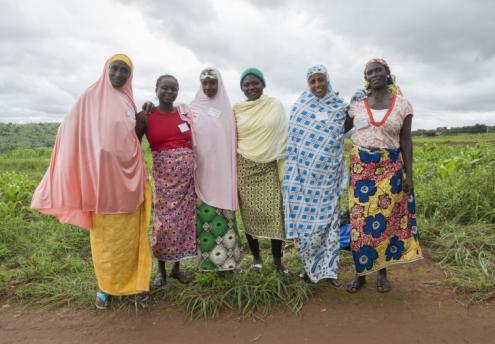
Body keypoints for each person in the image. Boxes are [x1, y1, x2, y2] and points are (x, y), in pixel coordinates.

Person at [31, 54, 152, 309]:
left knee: (132, 238)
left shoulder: (128, 101)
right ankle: (105, 287)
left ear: (130, 76)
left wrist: (142, 119)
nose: (119, 75)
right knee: (105, 239)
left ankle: (137, 285)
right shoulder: (90, 97)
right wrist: (90, 160)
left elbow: (133, 139)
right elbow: (70, 129)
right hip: (102, 184)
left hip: (129, 179)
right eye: (115, 69)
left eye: (125, 71)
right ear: (106, 70)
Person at [345, 58, 423, 293]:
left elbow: (406, 141)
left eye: (378, 70)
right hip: (361, 171)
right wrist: (345, 105)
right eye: (370, 72)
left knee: (384, 223)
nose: (374, 74)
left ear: (388, 73)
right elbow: (341, 128)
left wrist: (410, 175)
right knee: (359, 223)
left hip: (390, 170)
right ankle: (360, 273)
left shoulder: (403, 105)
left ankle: (382, 272)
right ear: (366, 78)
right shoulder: (358, 104)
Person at [283, 65, 347, 286]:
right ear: (307, 83)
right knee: (307, 226)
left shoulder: (339, 106)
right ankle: (310, 270)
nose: (318, 85)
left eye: (321, 80)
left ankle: (329, 271)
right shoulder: (300, 107)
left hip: (328, 179)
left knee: (329, 225)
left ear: (328, 80)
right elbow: (292, 145)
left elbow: (345, 130)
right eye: (313, 81)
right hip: (305, 180)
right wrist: (292, 177)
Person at [135, 74, 196, 287]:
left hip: (187, 181)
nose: (169, 92)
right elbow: (132, 144)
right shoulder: (146, 116)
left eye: (173, 89)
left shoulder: (184, 114)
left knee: (183, 224)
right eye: (165, 88)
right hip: (164, 182)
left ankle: (177, 269)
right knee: (163, 225)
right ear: (156, 89)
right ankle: (160, 271)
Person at [233, 67, 288, 272]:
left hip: (269, 166)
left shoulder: (274, 105)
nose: (251, 87)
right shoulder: (237, 109)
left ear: (263, 84)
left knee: (276, 214)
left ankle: (277, 260)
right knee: (249, 216)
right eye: (246, 84)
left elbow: (283, 137)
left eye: (255, 82)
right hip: (245, 166)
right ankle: (256, 258)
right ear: (242, 88)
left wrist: (283, 172)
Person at [189, 68, 241, 271]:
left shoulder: (227, 111)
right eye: (205, 83)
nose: (209, 87)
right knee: (205, 220)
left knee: (224, 221)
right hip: (202, 175)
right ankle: (206, 265)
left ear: (219, 84)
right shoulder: (192, 108)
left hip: (222, 176)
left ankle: (228, 264)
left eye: (213, 83)